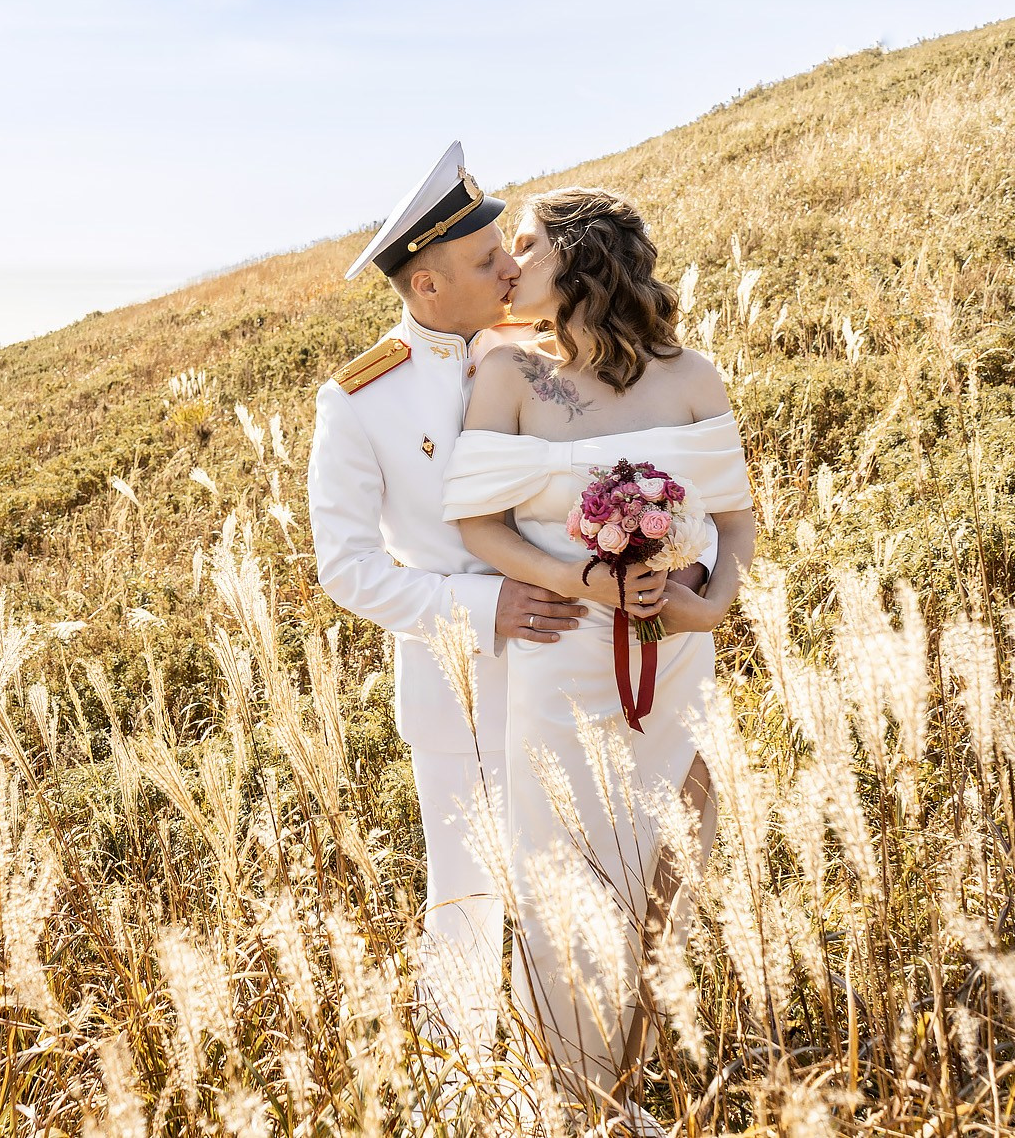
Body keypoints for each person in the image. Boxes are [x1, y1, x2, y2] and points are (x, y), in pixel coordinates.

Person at [306, 146, 679, 1054]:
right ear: (425, 286)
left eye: (505, 253)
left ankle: (588, 1082)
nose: (510, 267)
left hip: (581, 669)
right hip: (461, 688)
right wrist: (484, 610)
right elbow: (346, 566)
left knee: (582, 881)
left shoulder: (548, 353)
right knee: (471, 896)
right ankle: (469, 1091)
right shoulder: (361, 399)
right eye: (484, 263)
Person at [441, 187, 757, 1124]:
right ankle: (573, 1098)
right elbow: (479, 526)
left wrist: (711, 607)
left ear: (578, 259)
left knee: (666, 858)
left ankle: (641, 1071)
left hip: (673, 662)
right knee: (559, 866)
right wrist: (585, 581)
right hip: (559, 658)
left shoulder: (691, 376)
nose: (508, 266)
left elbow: (736, 524)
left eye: (526, 246)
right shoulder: (507, 376)